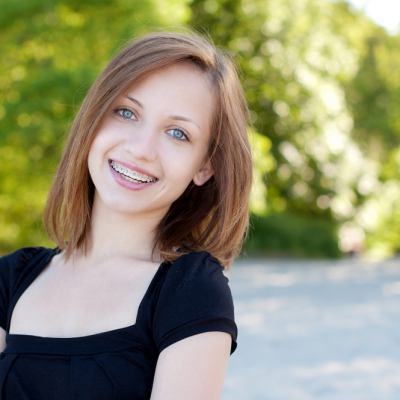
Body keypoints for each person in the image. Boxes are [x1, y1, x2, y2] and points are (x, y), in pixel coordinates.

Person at [0, 30, 253, 399]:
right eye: (126, 112)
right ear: (94, 118)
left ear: (205, 166)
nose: (141, 149)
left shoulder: (190, 291)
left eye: (178, 133)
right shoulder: (10, 280)